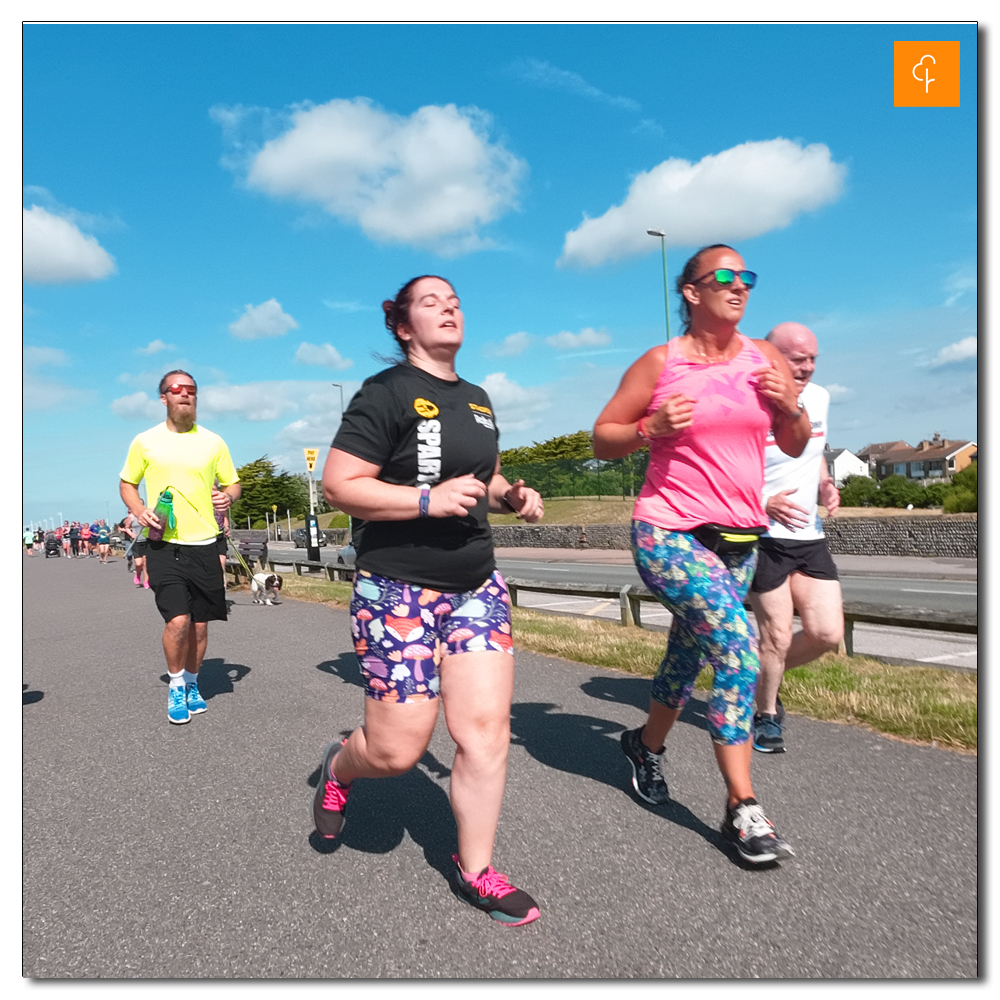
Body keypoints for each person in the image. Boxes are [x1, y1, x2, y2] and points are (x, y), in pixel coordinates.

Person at [315, 275, 544, 926]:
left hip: (476, 585)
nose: (448, 306)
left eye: (456, 299)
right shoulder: (384, 394)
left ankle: (477, 871)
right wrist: (424, 500)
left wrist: (511, 496)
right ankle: (341, 764)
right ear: (402, 325)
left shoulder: (476, 399)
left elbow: (485, 476)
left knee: (483, 735)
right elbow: (341, 484)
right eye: (430, 301)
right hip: (398, 589)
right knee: (397, 751)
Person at [592, 244, 810, 865]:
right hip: (668, 533)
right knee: (738, 654)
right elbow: (602, 436)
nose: (739, 286)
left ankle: (643, 745)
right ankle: (743, 808)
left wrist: (788, 402)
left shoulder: (764, 359)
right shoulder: (662, 362)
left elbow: (793, 444)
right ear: (691, 291)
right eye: (724, 276)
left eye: (747, 277)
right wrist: (648, 430)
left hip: (737, 540)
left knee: (688, 657)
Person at [119, 370, 241, 725]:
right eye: (176, 389)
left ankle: (191, 682)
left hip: (205, 544)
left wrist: (227, 497)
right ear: (163, 398)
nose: (185, 395)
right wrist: (139, 510)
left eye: (191, 390)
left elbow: (233, 485)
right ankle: (175, 685)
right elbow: (128, 483)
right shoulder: (145, 441)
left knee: (200, 626)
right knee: (179, 620)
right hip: (164, 544)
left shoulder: (214, 442)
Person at [748, 323, 844, 753]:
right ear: (772, 357)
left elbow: (815, 450)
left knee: (827, 633)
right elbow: (727, 468)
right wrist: (764, 500)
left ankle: (756, 672)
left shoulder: (820, 397)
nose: (807, 367)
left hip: (808, 534)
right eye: (797, 359)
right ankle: (766, 715)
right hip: (762, 534)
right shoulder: (749, 402)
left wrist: (825, 483)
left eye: (813, 359)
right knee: (777, 636)